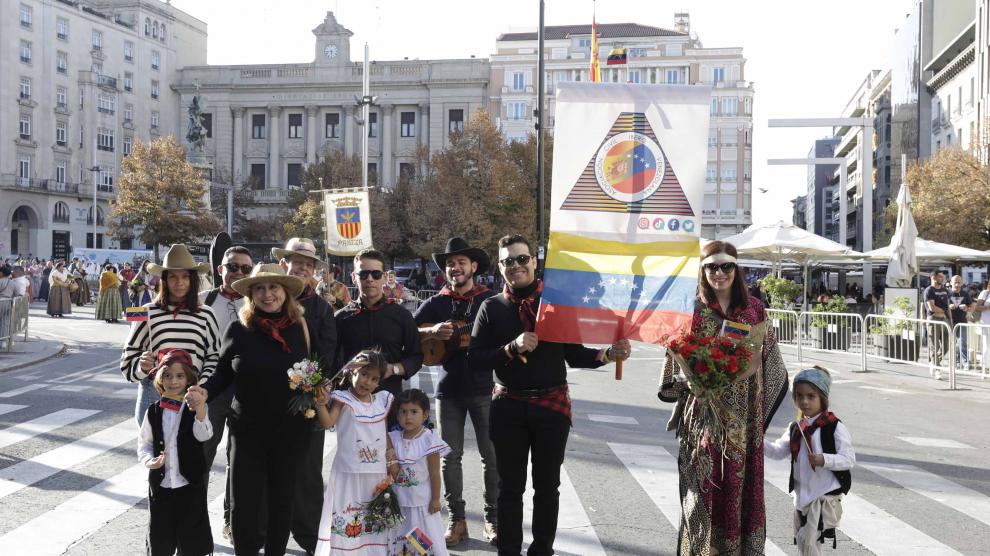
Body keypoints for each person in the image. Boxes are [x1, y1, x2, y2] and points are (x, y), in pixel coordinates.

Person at [468, 234, 631, 556]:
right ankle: (509, 551)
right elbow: (475, 360)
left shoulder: (556, 303)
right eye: (508, 261)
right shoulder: (491, 307)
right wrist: (510, 349)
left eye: (521, 259)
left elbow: (575, 355)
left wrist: (609, 355)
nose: (515, 266)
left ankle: (542, 550)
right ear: (500, 267)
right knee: (510, 489)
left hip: (551, 407)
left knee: (547, 488)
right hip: (508, 407)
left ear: (534, 261)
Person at [658, 240, 789, 555]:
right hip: (702, 415)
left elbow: (770, 362)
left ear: (736, 269)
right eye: (712, 266)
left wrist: (744, 375)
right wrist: (690, 381)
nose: (719, 273)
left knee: (738, 489)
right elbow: (673, 359)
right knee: (701, 487)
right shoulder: (690, 308)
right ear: (702, 270)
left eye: (726, 265)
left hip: (743, 419)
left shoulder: (754, 308)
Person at [185, 263, 314, 556]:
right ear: (251, 294)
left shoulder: (301, 328)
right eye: (260, 288)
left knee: (282, 500)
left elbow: (317, 369)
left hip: (290, 429)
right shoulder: (239, 329)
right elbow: (222, 372)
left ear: (285, 292)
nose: (268, 294)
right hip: (247, 430)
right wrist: (205, 390)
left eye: (274, 288)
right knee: (244, 501)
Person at [414, 237, 498, 546]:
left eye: (461, 262)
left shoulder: (491, 299)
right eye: (450, 264)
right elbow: (408, 329)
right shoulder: (436, 302)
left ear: (473, 267)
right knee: (450, 458)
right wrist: (430, 330)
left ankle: (493, 519)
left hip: (485, 389)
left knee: (492, 457)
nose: (455, 267)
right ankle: (457, 520)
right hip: (447, 390)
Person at [273, 237, 339, 556]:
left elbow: (327, 353)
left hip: (307, 398)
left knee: (309, 471)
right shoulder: (270, 297)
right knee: (272, 466)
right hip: (270, 401)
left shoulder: (321, 307)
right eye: (296, 262)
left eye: (308, 264)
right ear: (285, 264)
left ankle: (311, 534)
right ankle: (272, 530)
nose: (301, 268)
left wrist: (308, 383)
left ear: (314, 270)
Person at [120, 244, 220, 426]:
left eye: (185, 276)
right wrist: (142, 367)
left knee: (190, 453)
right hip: (154, 394)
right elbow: (127, 362)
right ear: (164, 280)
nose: (179, 282)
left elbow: (214, 356)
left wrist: (202, 385)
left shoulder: (206, 313)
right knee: (152, 453)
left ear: (193, 280)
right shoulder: (146, 312)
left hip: (192, 395)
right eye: (172, 276)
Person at [311, 349, 399, 555]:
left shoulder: (382, 401)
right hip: (348, 474)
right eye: (364, 374)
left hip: (376, 477)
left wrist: (391, 459)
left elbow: (383, 433)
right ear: (352, 373)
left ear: (379, 383)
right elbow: (327, 422)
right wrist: (319, 402)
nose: (367, 382)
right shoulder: (342, 399)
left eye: (374, 378)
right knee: (347, 518)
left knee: (373, 522)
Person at [764, 367, 855, 555]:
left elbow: (848, 459)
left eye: (811, 396)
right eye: (799, 396)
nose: (804, 401)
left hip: (821, 498)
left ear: (823, 397)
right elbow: (778, 452)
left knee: (809, 545)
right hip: (801, 499)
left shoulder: (834, 427)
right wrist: (757, 441)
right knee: (804, 545)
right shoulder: (796, 428)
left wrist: (824, 459)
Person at [197, 245, 253, 542]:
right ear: (221, 269)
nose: (239, 273)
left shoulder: (257, 301)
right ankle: (196, 521)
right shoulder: (204, 300)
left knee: (238, 458)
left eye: (246, 268)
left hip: (244, 391)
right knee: (203, 454)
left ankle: (231, 521)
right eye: (233, 267)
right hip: (213, 388)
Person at [138, 348, 214, 556]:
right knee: (160, 540)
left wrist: (200, 410)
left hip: (189, 486)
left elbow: (204, 435)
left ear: (189, 379)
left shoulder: (192, 408)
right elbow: (144, 443)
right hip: (162, 487)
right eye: (168, 376)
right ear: (160, 380)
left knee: (192, 542)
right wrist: (149, 461)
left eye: (180, 376)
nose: (174, 381)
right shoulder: (153, 411)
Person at [336, 248, 423, 397]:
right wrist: (346, 369)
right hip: (349, 401)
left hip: (389, 401)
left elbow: (416, 357)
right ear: (353, 277)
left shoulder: (402, 315)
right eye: (363, 274)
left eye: (375, 274)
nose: (370, 279)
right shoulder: (341, 317)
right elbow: (332, 360)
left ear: (384, 277)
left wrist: (393, 369)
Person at [388, 389, 451, 556]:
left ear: (425, 415)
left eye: (414, 412)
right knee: (401, 539)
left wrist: (436, 499)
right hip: (399, 502)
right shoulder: (392, 438)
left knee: (422, 539)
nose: (408, 417)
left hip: (422, 503)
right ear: (397, 414)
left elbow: (435, 473)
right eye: (403, 412)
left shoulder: (429, 440)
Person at [923, 270, 951, 375]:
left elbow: (948, 307)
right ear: (933, 277)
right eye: (940, 277)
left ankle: (933, 362)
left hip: (944, 320)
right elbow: (932, 307)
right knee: (934, 345)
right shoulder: (929, 290)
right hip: (934, 319)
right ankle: (937, 369)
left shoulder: (945, 290)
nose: (942, 279)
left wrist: (950, 321)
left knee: (946, 346)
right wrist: (943, 310)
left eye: (942, 277)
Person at [948, 274, 973, 371]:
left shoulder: (965, 294)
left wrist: (967, 308)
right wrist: (949, 307)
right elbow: (942, 306)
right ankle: (952, 362)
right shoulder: (947, 293)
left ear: (962, 283)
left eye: (959, 282)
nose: (957, 284)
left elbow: (971, 306)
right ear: (951, 283)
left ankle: (965, 363)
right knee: (951, 343)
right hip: (949, 322)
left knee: (963, 342)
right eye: (955, 282)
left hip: (962, 321)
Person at [974, 278, 990, 376]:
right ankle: (985, 368)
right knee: (986, 346)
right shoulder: (985, 293)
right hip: (986, 323)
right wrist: (988, 307)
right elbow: (977, 307)